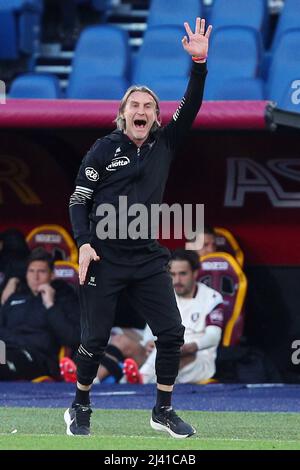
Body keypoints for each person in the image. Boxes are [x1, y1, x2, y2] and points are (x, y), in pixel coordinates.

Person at [66, 17, 212, 438]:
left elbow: (193, 103)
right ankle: (80, 406)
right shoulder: (102, 149)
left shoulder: (165, 142)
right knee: (93, 341)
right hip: (104, 255)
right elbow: (79, 199)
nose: (142, 111)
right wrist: (85, 243)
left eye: (149, 106)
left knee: (171, 333)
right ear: (122, 114)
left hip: (146, 256)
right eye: (135, 105)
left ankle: (162, 410)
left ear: (156, 116)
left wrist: (199, 63)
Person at [125, 249, 224, 384]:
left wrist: (191, 347)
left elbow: (214, 336)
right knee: (121, 341)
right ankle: (96, 382)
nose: (177, 280)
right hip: (162, 352)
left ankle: (140, 380)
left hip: (198, 360)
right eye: (173, 274)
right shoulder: (165, 295)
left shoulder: (212, 297)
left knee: (169, 346)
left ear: (195, 273)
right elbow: (151, 328)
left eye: (183, 274)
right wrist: (148, 342)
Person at [0, 248, 80, 380]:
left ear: (52, 275)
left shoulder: (63, 298)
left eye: (41, 271)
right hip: (7, 348)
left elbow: (72, 338)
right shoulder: (16, 297)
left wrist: (50, 306)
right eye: (31, 271)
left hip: (38, 357)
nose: (35, 277)